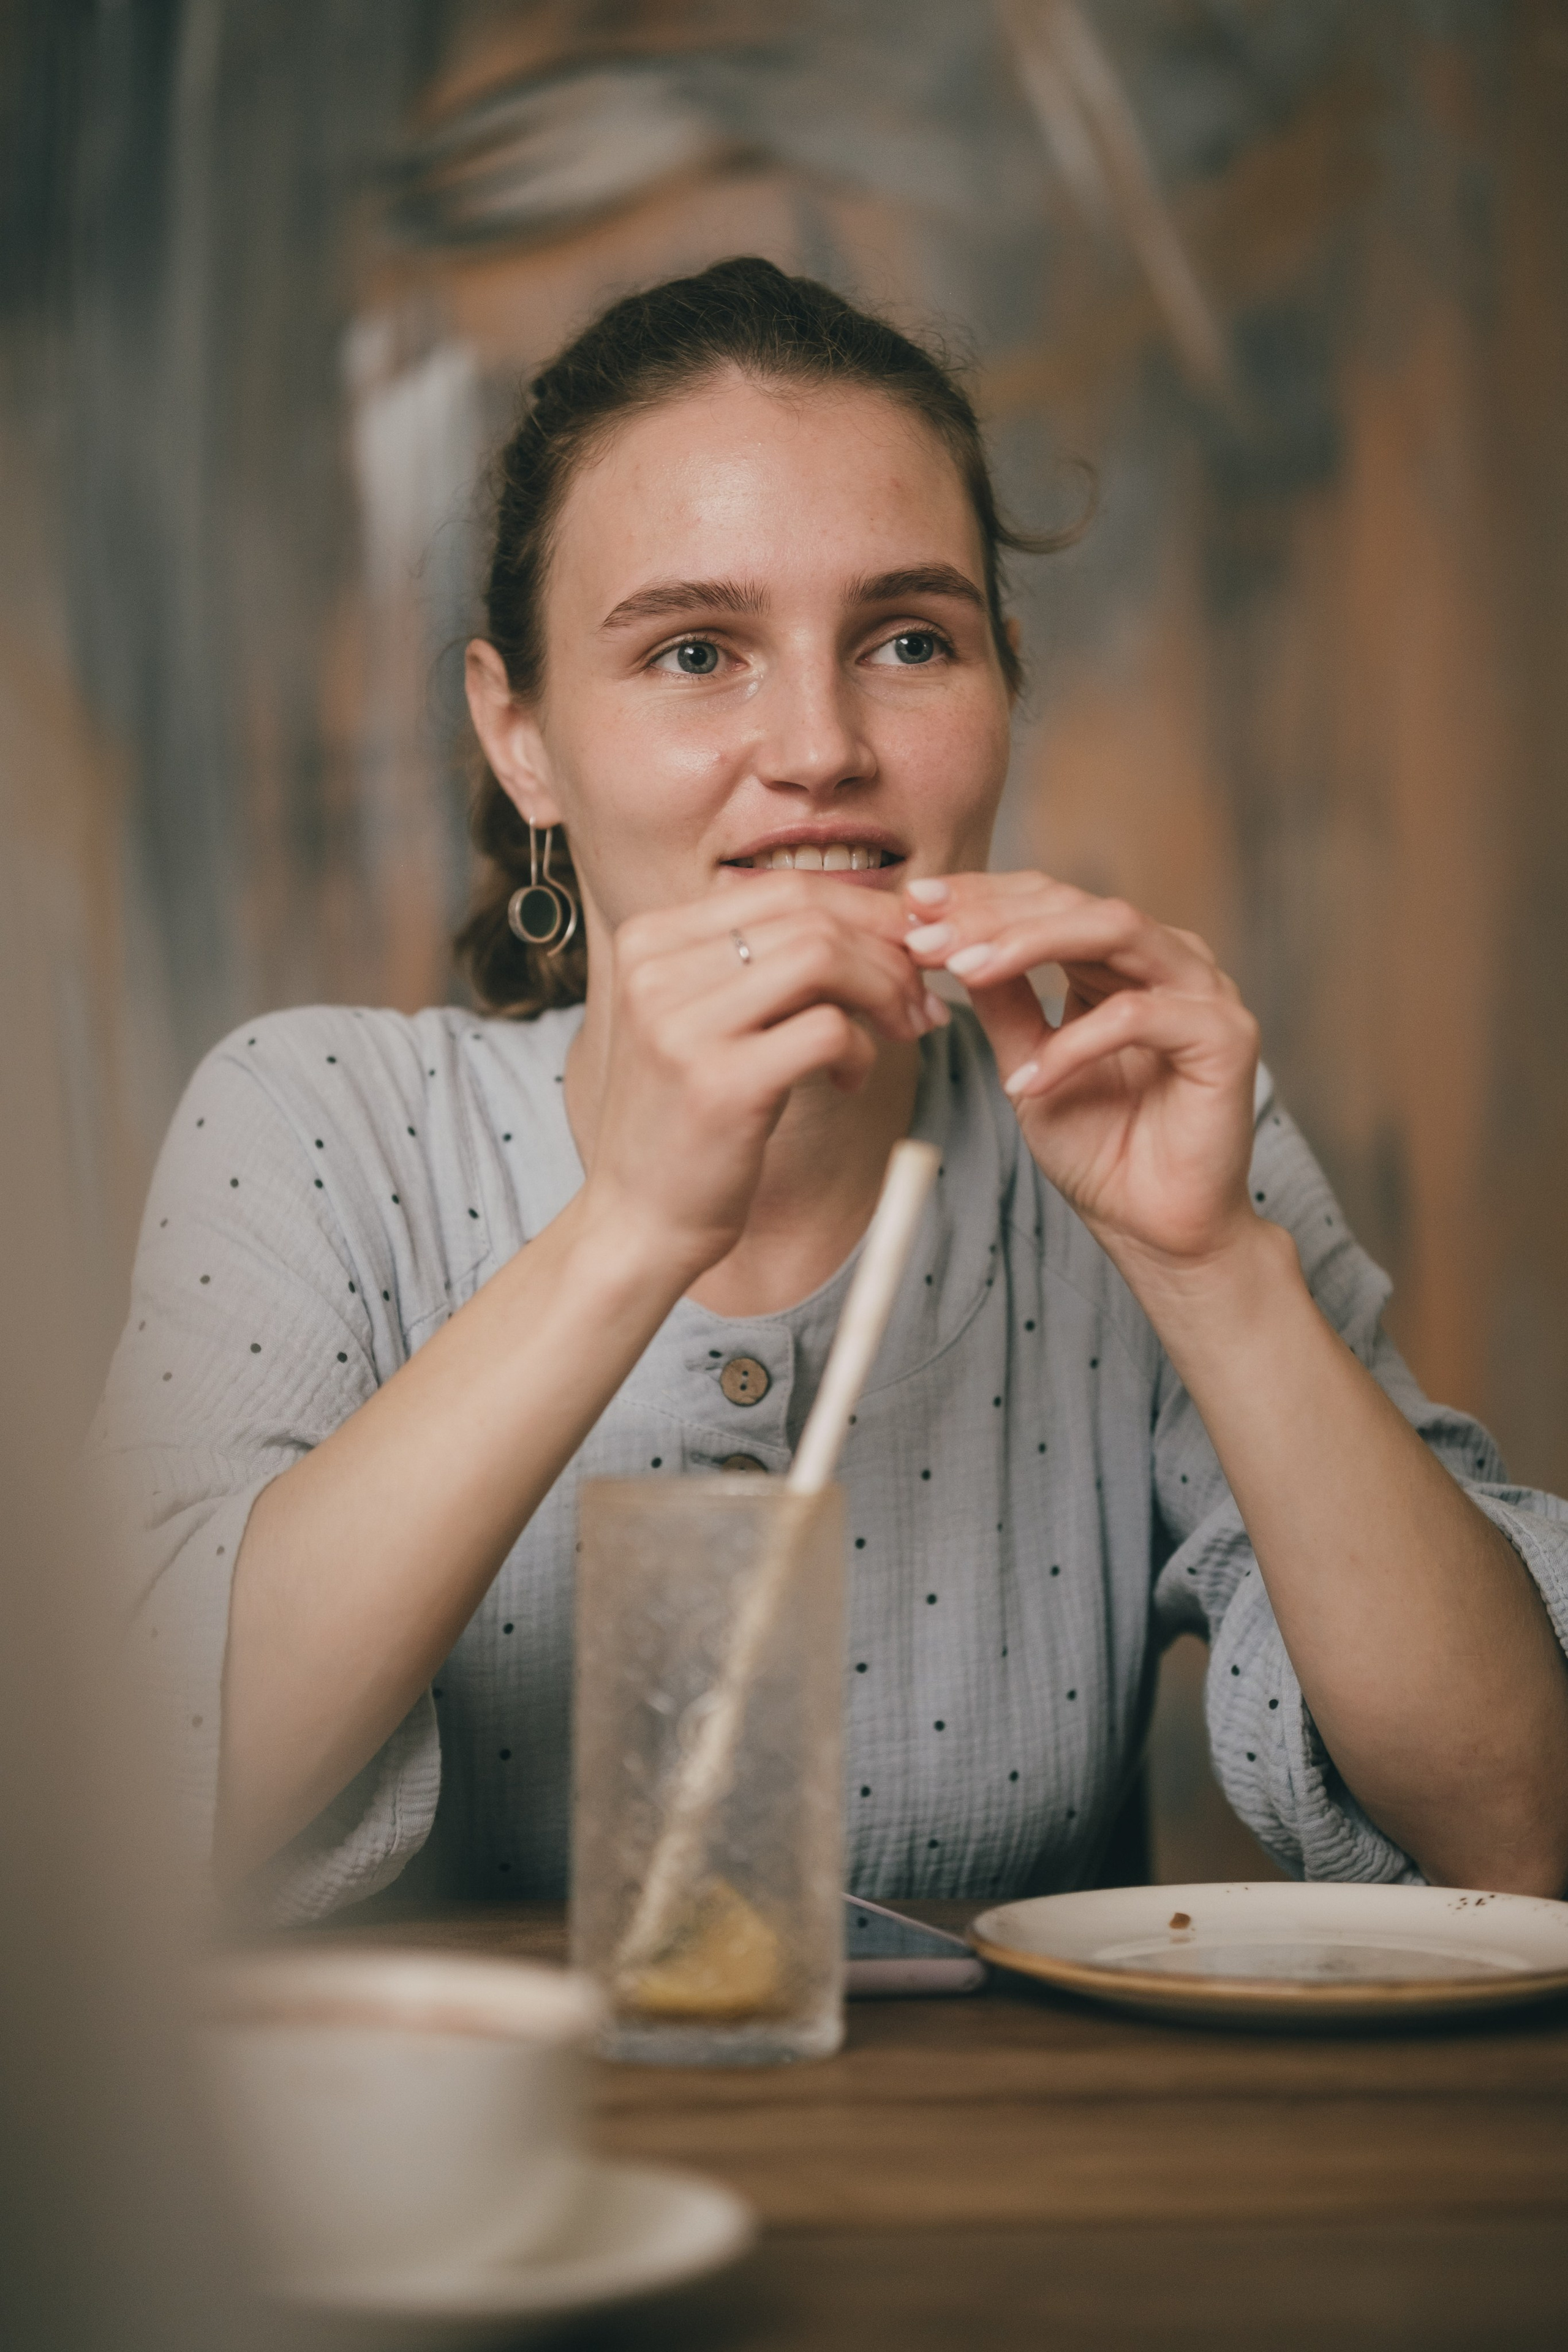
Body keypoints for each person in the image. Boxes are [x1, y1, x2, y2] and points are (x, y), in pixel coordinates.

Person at [95, 257, 1568, 1924]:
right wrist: (634, 1232)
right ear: (522, 740)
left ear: (1002, 691)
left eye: (909, 641)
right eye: (695, 652)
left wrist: (1215, 1273)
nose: (818, 747)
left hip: (1016, 2186)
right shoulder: (315, 1123)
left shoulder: (1154, 1138)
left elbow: (1514, 1837)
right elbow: (113, 1817)